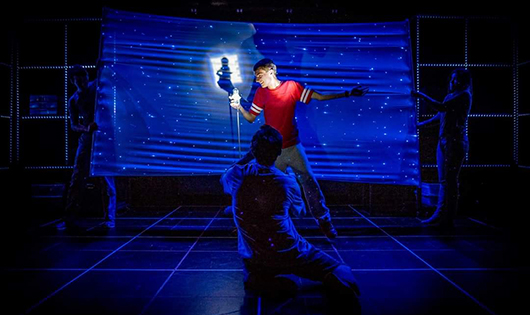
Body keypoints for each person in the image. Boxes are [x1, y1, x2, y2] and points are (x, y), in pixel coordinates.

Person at [229, 58, 368, 239]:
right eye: (256, 77)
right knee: (271, 190)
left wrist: (347, 93)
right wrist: (239, 106)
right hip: (273, 152)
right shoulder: (261, 94)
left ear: (271, 70)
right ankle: (268, 227)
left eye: (260, 75)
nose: (257, 80)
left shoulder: (291, 87)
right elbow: (250, 118)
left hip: (293, 148)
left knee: (309, 183)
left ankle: (324, 221)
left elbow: (319, 96)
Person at [221, 125, 361, 301]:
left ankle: (259, 279)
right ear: (279, 152)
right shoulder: (286, 182)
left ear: (253, 150)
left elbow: (226, 176)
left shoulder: (236, 175)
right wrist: (292, 178)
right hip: (290, 253)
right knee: (340, 270)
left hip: (254, 260)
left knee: (255, 270)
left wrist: (250, 156)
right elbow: (300, 212)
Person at [57, 65, 116, 230]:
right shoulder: (74, 100)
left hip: (104, 138)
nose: (81, 81)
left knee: (106, 178)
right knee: (77, 178)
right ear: (73, 80)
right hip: (87, 139)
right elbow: (74, 125)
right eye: (78, 78)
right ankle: (69, 217)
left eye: (83, 77)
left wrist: (103, 66)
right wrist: (86, 128)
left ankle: (110, 218)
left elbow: (108, 79)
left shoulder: (97, 87)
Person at [412, 68, 472, 228]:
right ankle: (441, 216)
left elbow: (441, 108)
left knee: (449, 181)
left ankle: (445, 217)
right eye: (452, 79)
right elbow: (440, 116)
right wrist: (421, 125)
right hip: (444, 141)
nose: (453, 82)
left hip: (455, 142)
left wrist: (421, 96)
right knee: (445, 180)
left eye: (457, 79)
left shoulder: (464, 95)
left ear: (464, 81)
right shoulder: (451, 96)